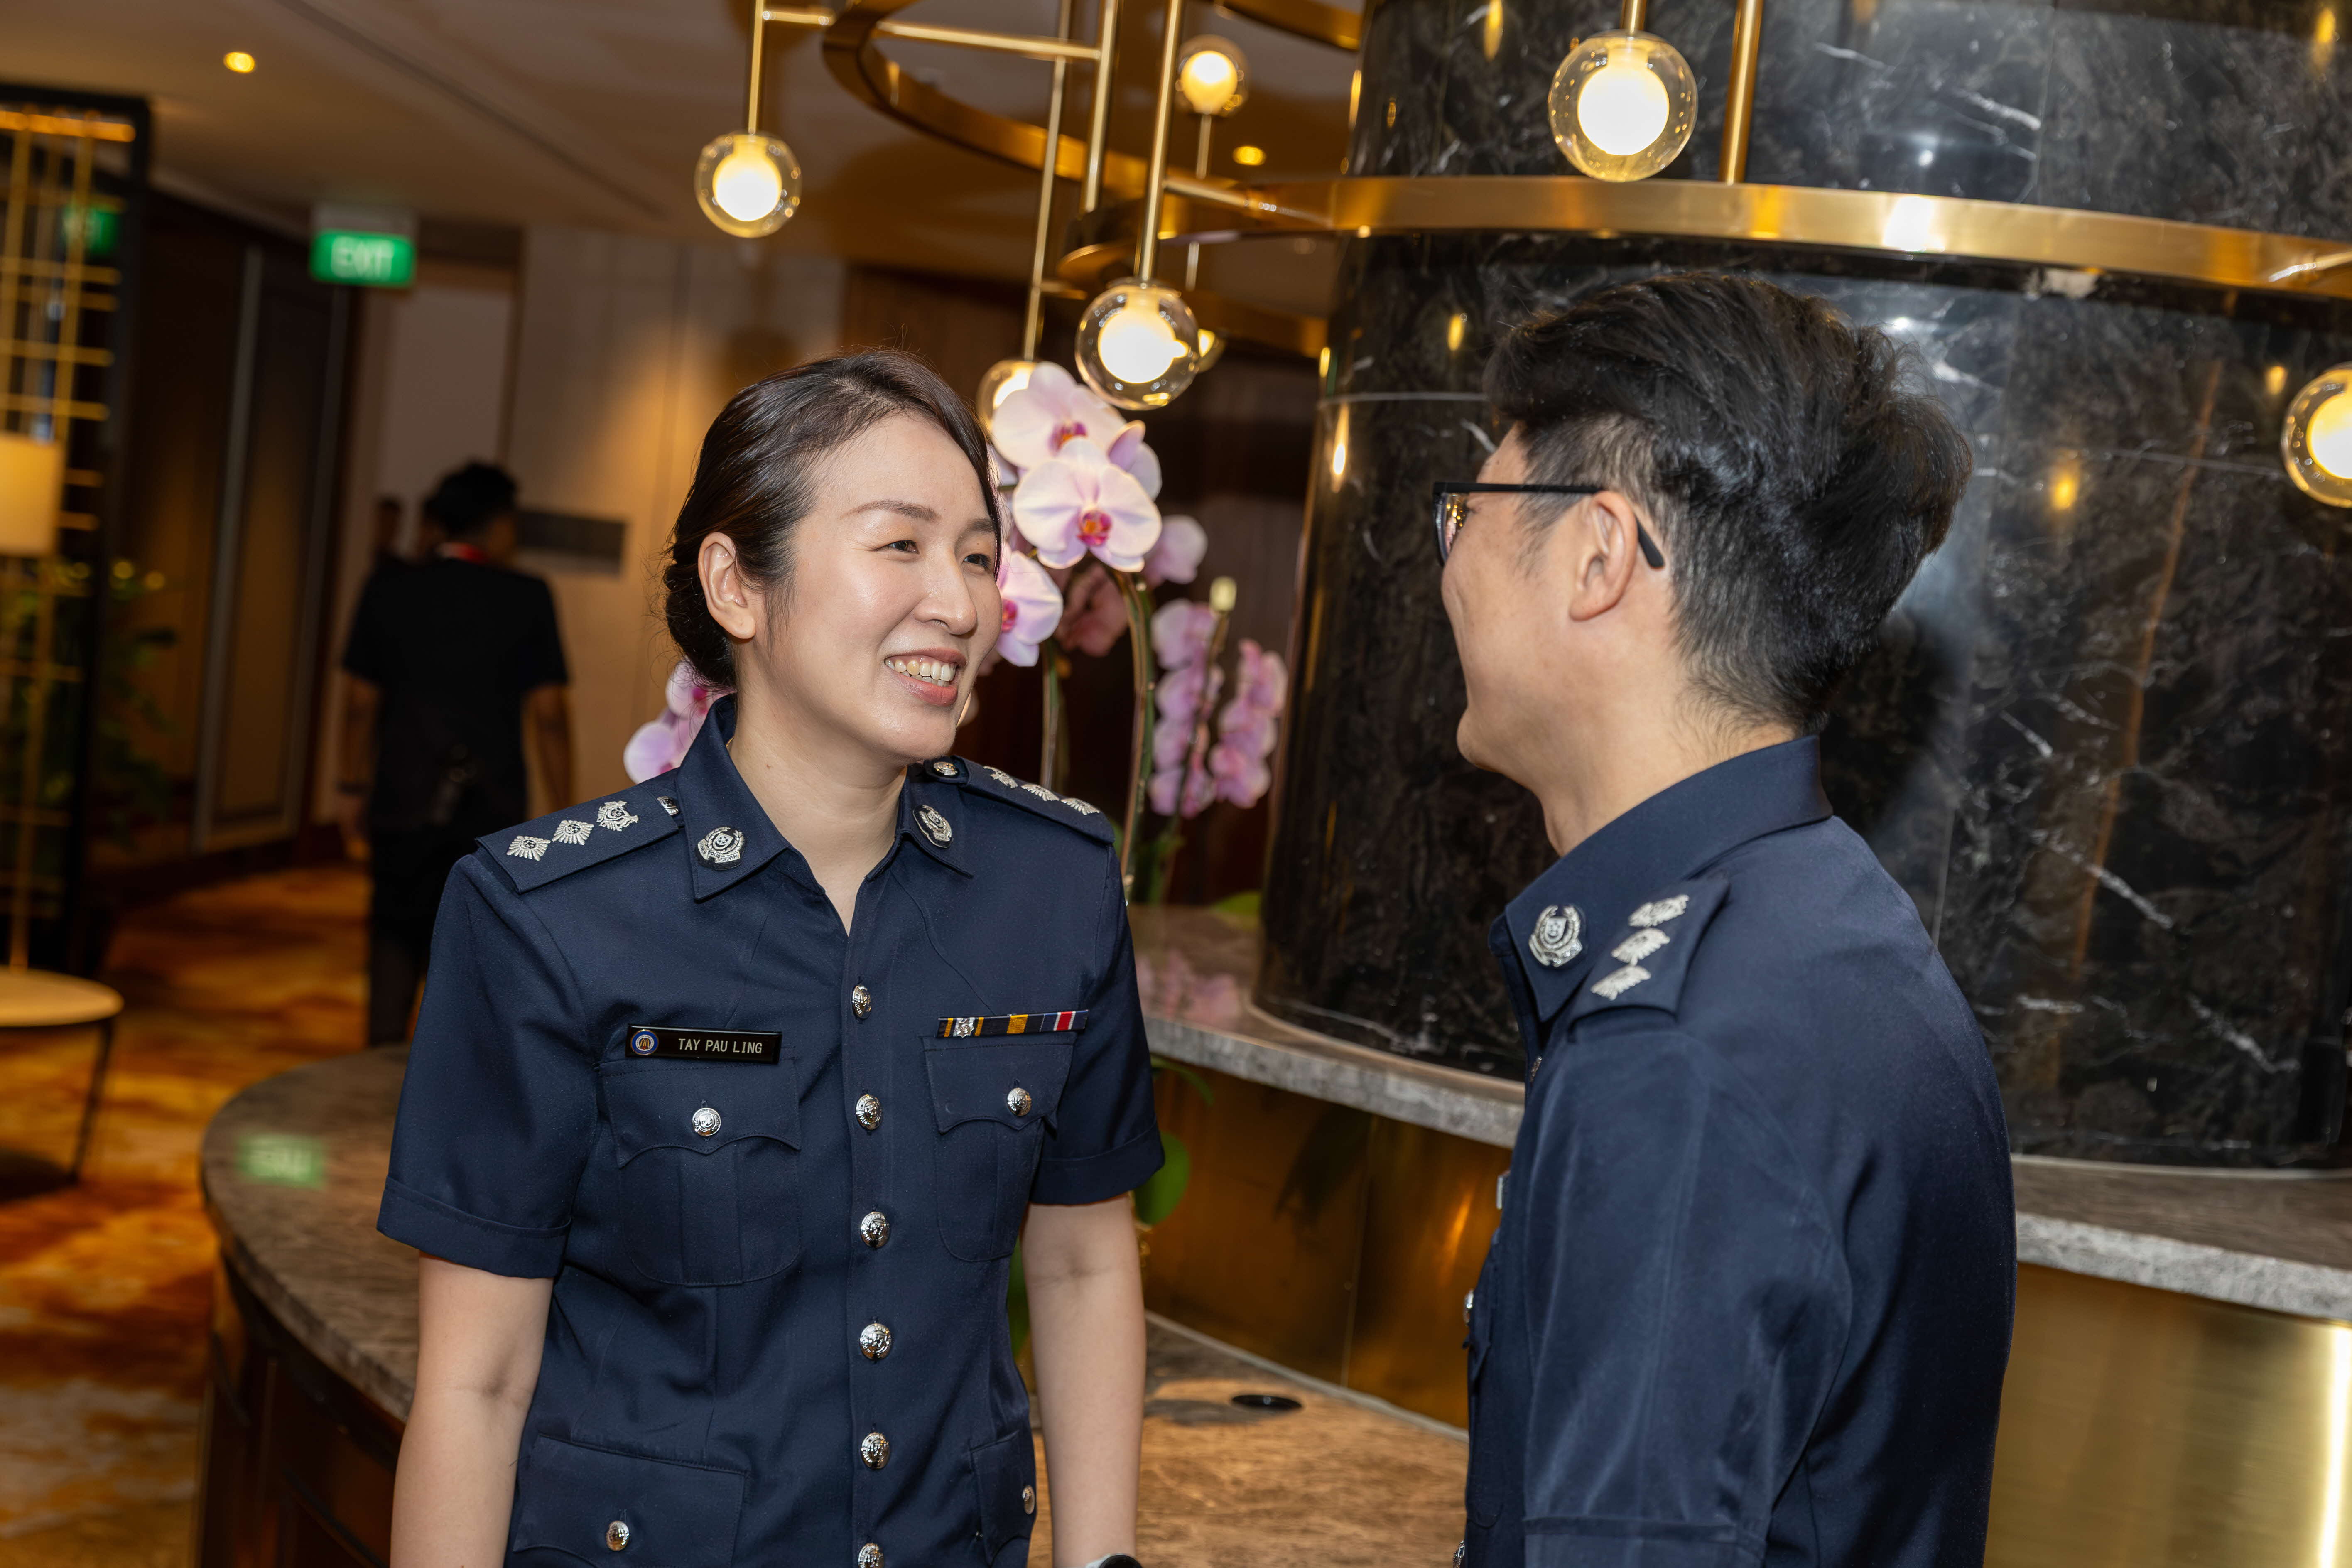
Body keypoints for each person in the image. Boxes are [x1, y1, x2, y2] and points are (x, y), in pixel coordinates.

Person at [376, 351, 1161, 1568]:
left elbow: (1080, 1262)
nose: (960, 604)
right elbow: (477, 1383)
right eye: (899, 545)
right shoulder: (546, 917)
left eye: (974, 553)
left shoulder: (1054, 887)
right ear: (737, 585)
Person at [1439, 274, 2014, 1568]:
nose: (1451, 567)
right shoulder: (1829, 922)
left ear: (1597, 554)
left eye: (1464, 513)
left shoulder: (1678, 1052)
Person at [338, 462, 571, 1045]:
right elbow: (550, 717)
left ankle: (379, 1066)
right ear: (497, 525)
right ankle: (453, 1085)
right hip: (490, 807)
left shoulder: (388, 589)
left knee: (393, 931)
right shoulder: (527, 597)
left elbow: (359, 705)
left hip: (401, 795)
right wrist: (565, 808)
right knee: (476, 947)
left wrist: (348, 786)